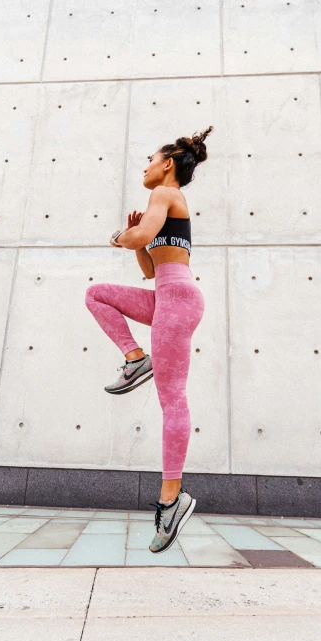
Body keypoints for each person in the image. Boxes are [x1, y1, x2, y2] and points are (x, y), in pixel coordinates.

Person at [85, 126, 213, 553]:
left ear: (168, 165)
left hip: (177, 300)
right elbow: (148, 267)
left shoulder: (165, 194)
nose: (145, 166)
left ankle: (172, 500)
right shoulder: (163, 204)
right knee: (97, 294)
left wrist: (121, 238)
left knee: (172, 399)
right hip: (167, 296)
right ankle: (136, 357)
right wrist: (136, 239)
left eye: (150, 159)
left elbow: (136, 242)